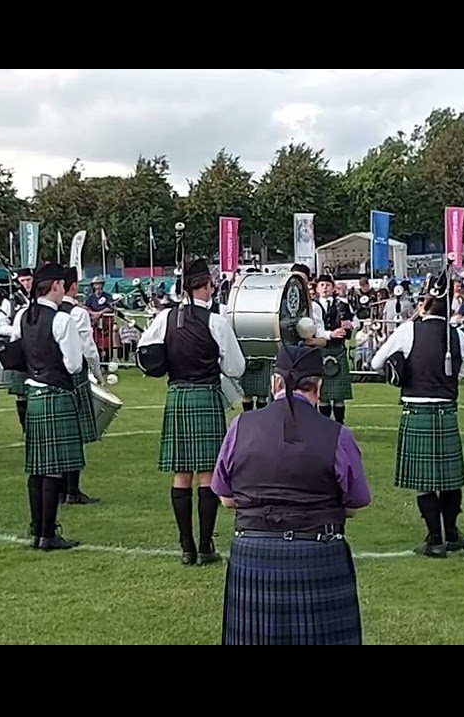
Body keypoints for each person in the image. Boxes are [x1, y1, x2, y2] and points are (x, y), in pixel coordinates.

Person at [212, 344, 371, 644]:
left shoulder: (240, 426)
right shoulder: (339, 434)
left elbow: (225, 497)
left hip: (254, 555)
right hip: (318, 555)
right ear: (319, 387)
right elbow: (355, 504)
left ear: (274, 382)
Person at [137, 257, 246, 565]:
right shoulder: (217, 322)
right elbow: (236, 367)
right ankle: (206, 546)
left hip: (177, 396)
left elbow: (146, 355)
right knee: (208, 475)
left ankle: (186, 547)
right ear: (207, 286)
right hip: (207, 396)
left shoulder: (165, 318)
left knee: (180, 474)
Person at [371, 275, 464, 557]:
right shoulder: (458, 335)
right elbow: (461, 366)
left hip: (417, 409)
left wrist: (401, 367)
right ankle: (451, 534)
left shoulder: (408, 331)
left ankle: (435, 538)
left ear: (425, 302)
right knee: (450, 479)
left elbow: (376, 362)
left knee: (426, 481)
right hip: (446, 409)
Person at [11, 263, 85, 551]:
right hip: (56, 394)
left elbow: (16, 350)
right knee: (52, 468)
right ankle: (48, 534)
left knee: (37, 468)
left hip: (35, 395)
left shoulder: (22, 316)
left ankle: (37, 530)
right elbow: (74, 364)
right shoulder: (62, 320)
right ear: (56, 285)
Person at [237, 263, 328, 411]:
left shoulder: (314, 307)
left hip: (303, 360)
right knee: (277, 402)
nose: (297, 284)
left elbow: (323, 340)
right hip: (282, 360)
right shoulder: (275, 304)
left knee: (305, 403)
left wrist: (311, 340)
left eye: (301, 280)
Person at [58, 265, 103, 505]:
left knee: (58, 436)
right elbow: (88, 349)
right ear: (73, 286)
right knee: (73, 436)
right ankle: (72, 491)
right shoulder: (77, 313)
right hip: (75, 376)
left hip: (52, 377)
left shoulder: (46, 309)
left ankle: (59, 489)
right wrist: (98, 373)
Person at [313, 274, 358, 423]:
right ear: (317, 288)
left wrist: (351, 325)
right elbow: (315, 328)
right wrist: (331, 334)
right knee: (323, 395)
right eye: (322, 285)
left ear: (333, 288)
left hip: (338, 349)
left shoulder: (342, 304)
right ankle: (325, 424)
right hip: (321, 349)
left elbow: (356, 321)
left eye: (327, 285)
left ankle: (340, 424)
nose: (325, 288)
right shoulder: (312, 306)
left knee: (339, 396)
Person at [0, 267, 35, 434]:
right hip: (19, 348)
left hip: (37, 348)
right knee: (21, 394)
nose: (26, 284)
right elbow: (0, 327)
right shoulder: (10, 301)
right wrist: (18, 330)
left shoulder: (39, 298)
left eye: (28, 280)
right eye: (22, 281)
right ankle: (25, 429)